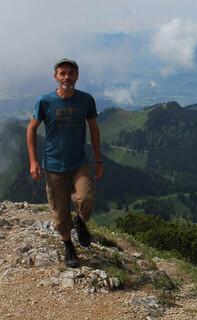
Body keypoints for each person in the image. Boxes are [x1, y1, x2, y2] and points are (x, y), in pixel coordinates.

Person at [26, 58, 104, 268]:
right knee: (60, 218)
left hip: (79, 163)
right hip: (53, 166)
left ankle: (79, 222)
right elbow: (31, 129)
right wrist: (33, 161)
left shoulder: (86, 100)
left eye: (71, 73)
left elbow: (94, 129)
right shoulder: (45, 101)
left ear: (77, 75)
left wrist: (98, 159)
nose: (67, 77)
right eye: (63, 73)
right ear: (56, 77)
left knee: (85, 199)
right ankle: (69, 247)